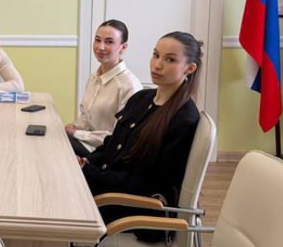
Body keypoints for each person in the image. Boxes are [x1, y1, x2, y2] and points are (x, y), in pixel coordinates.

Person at [79, 31, 201, 242]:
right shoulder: (141, 98)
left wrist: (91, 174)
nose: (157, 65)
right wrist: (86, 162)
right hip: (109, 189)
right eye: (156, 55)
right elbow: (112, 145)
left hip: (131, 207)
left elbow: (151, 184)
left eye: (170, 60)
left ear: (189, 68)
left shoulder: (184, 119)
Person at [65, 20, 142, 157]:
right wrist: (77, 126)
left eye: (109, 42)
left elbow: (119, 136)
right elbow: (87, 115)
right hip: (89, 143)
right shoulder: (94, 77)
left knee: (58, 146)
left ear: (123, 47)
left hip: (108, 152)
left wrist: (77, 133)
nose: (100, 47)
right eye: (97, 40)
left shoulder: (129, 85)